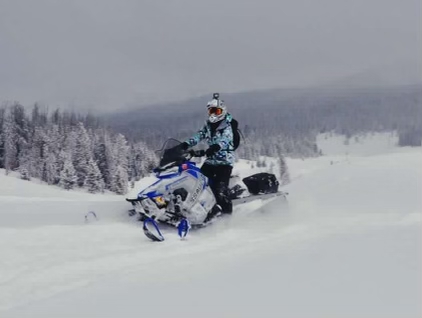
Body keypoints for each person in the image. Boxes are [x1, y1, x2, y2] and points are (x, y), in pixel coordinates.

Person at [179, 93, 235, 216]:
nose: (213, 114)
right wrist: (186, 144)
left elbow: (225, 140)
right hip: (211, 161)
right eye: (211, 111)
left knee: (220, 190)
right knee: (197, 184)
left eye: (216, 111)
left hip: (224, 163)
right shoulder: (208, 125)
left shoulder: (226, 126)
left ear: (222, 111)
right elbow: (199, 135)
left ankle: (227, 216)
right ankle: (197, 210)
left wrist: (215, 147)